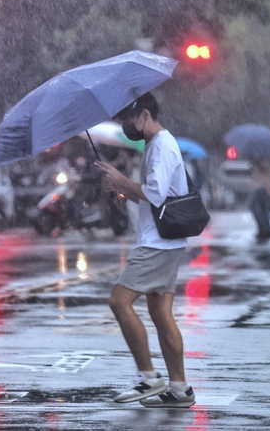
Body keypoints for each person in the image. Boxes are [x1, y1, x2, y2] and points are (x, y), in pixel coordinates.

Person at [95, 92, 196, 408]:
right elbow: (155, 197)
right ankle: (179, 389)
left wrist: (121, 179)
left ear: (145, 115)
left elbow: (154, 194)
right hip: (162, 239)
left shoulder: (162, 146)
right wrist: (120, 187)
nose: (126, 125)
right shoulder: (155, 145)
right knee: (160, 313)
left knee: (119, 301)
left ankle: (148, 377)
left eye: (129, 117)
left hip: (157, 244)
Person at [248, 156, 270, 242]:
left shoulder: (264, 159)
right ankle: (264, 229)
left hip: (261, 187)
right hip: (265, 187)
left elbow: (264, 169)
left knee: (253, 206)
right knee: (263, 209)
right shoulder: (266, 158)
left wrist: (256, 164)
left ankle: (264, 228)